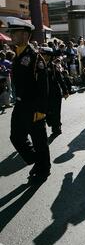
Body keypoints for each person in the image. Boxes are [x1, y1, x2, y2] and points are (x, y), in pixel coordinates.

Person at [7, 17, 51, 183]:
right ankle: (36, 160)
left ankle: (44, 168)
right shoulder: (18, 55)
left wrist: (41, 110)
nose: (11, 36)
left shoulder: (35, 58)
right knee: (16, 137)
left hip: (34, 106)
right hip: (20, 104)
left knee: (39, 140)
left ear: (25, 35)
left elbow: (43, 87)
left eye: (14, 33)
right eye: (11, 33)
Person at [41, 47, 69, 136]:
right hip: (44, 94)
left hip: (55, 93)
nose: (42, 56)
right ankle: (53, 124)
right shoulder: (38, 67)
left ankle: (56, 128)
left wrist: (65, 91)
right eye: (41, 54)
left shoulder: (53, 66)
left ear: (49, 56)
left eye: (44, 55)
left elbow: (60, 79)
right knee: (47, 113)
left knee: (56, 112)